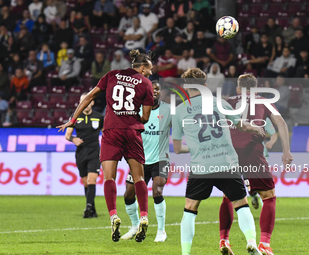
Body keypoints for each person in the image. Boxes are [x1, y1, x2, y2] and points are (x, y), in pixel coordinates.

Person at [57, 50, 154, 243]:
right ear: (142, 68)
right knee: (139, 177)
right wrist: (131, 113)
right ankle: (143, 215)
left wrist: (73, 120)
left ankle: (113, 216)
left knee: (109, 177)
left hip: (111, 132)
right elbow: (145, 117)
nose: (150, 73)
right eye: (149, 69)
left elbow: (88, 98)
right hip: (132, 132)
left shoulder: (111, 76)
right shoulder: (146, 83)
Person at [172, 68, 264, 255]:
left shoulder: (179, 111)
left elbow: (177, 148)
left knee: (190, 209)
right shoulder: (219, 103)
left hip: (201, 167)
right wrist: (255, 128)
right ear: (205, 86)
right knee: (241, 204)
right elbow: (241, 125)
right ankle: (252, 242)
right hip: (226, 163)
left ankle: (185, 253)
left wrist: (197, 147)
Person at [219, 73, 293, 255]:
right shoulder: (264, 101)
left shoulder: (227, 101)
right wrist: (286, 151)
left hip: (229, 152)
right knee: (268, 196)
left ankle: (224, 240)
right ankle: (264, 244)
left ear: (238, 88)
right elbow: (281, 124)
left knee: (228, 196)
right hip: (252, 150)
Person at [121, 81, 171, 242]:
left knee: (157, 190)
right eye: (151, 89)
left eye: (157, 89)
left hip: (160, 159)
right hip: (140, 160)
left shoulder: (169, 110)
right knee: (129, 194)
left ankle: (161, 231)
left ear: (160, 92)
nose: (155, 91)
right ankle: (135, 225)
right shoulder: (137, 110)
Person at [65, 93, 104, 218]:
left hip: (94, 152)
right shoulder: (75, 117)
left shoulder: (99, 117)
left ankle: (88, 208)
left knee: (91, 180)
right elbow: (67, 135)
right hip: (81, 152)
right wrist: (73, 139)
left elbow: (106, 133)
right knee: (86, 183)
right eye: (83, 102)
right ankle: (92, 208)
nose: (86, 104)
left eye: (88, 101)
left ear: (92, 102)